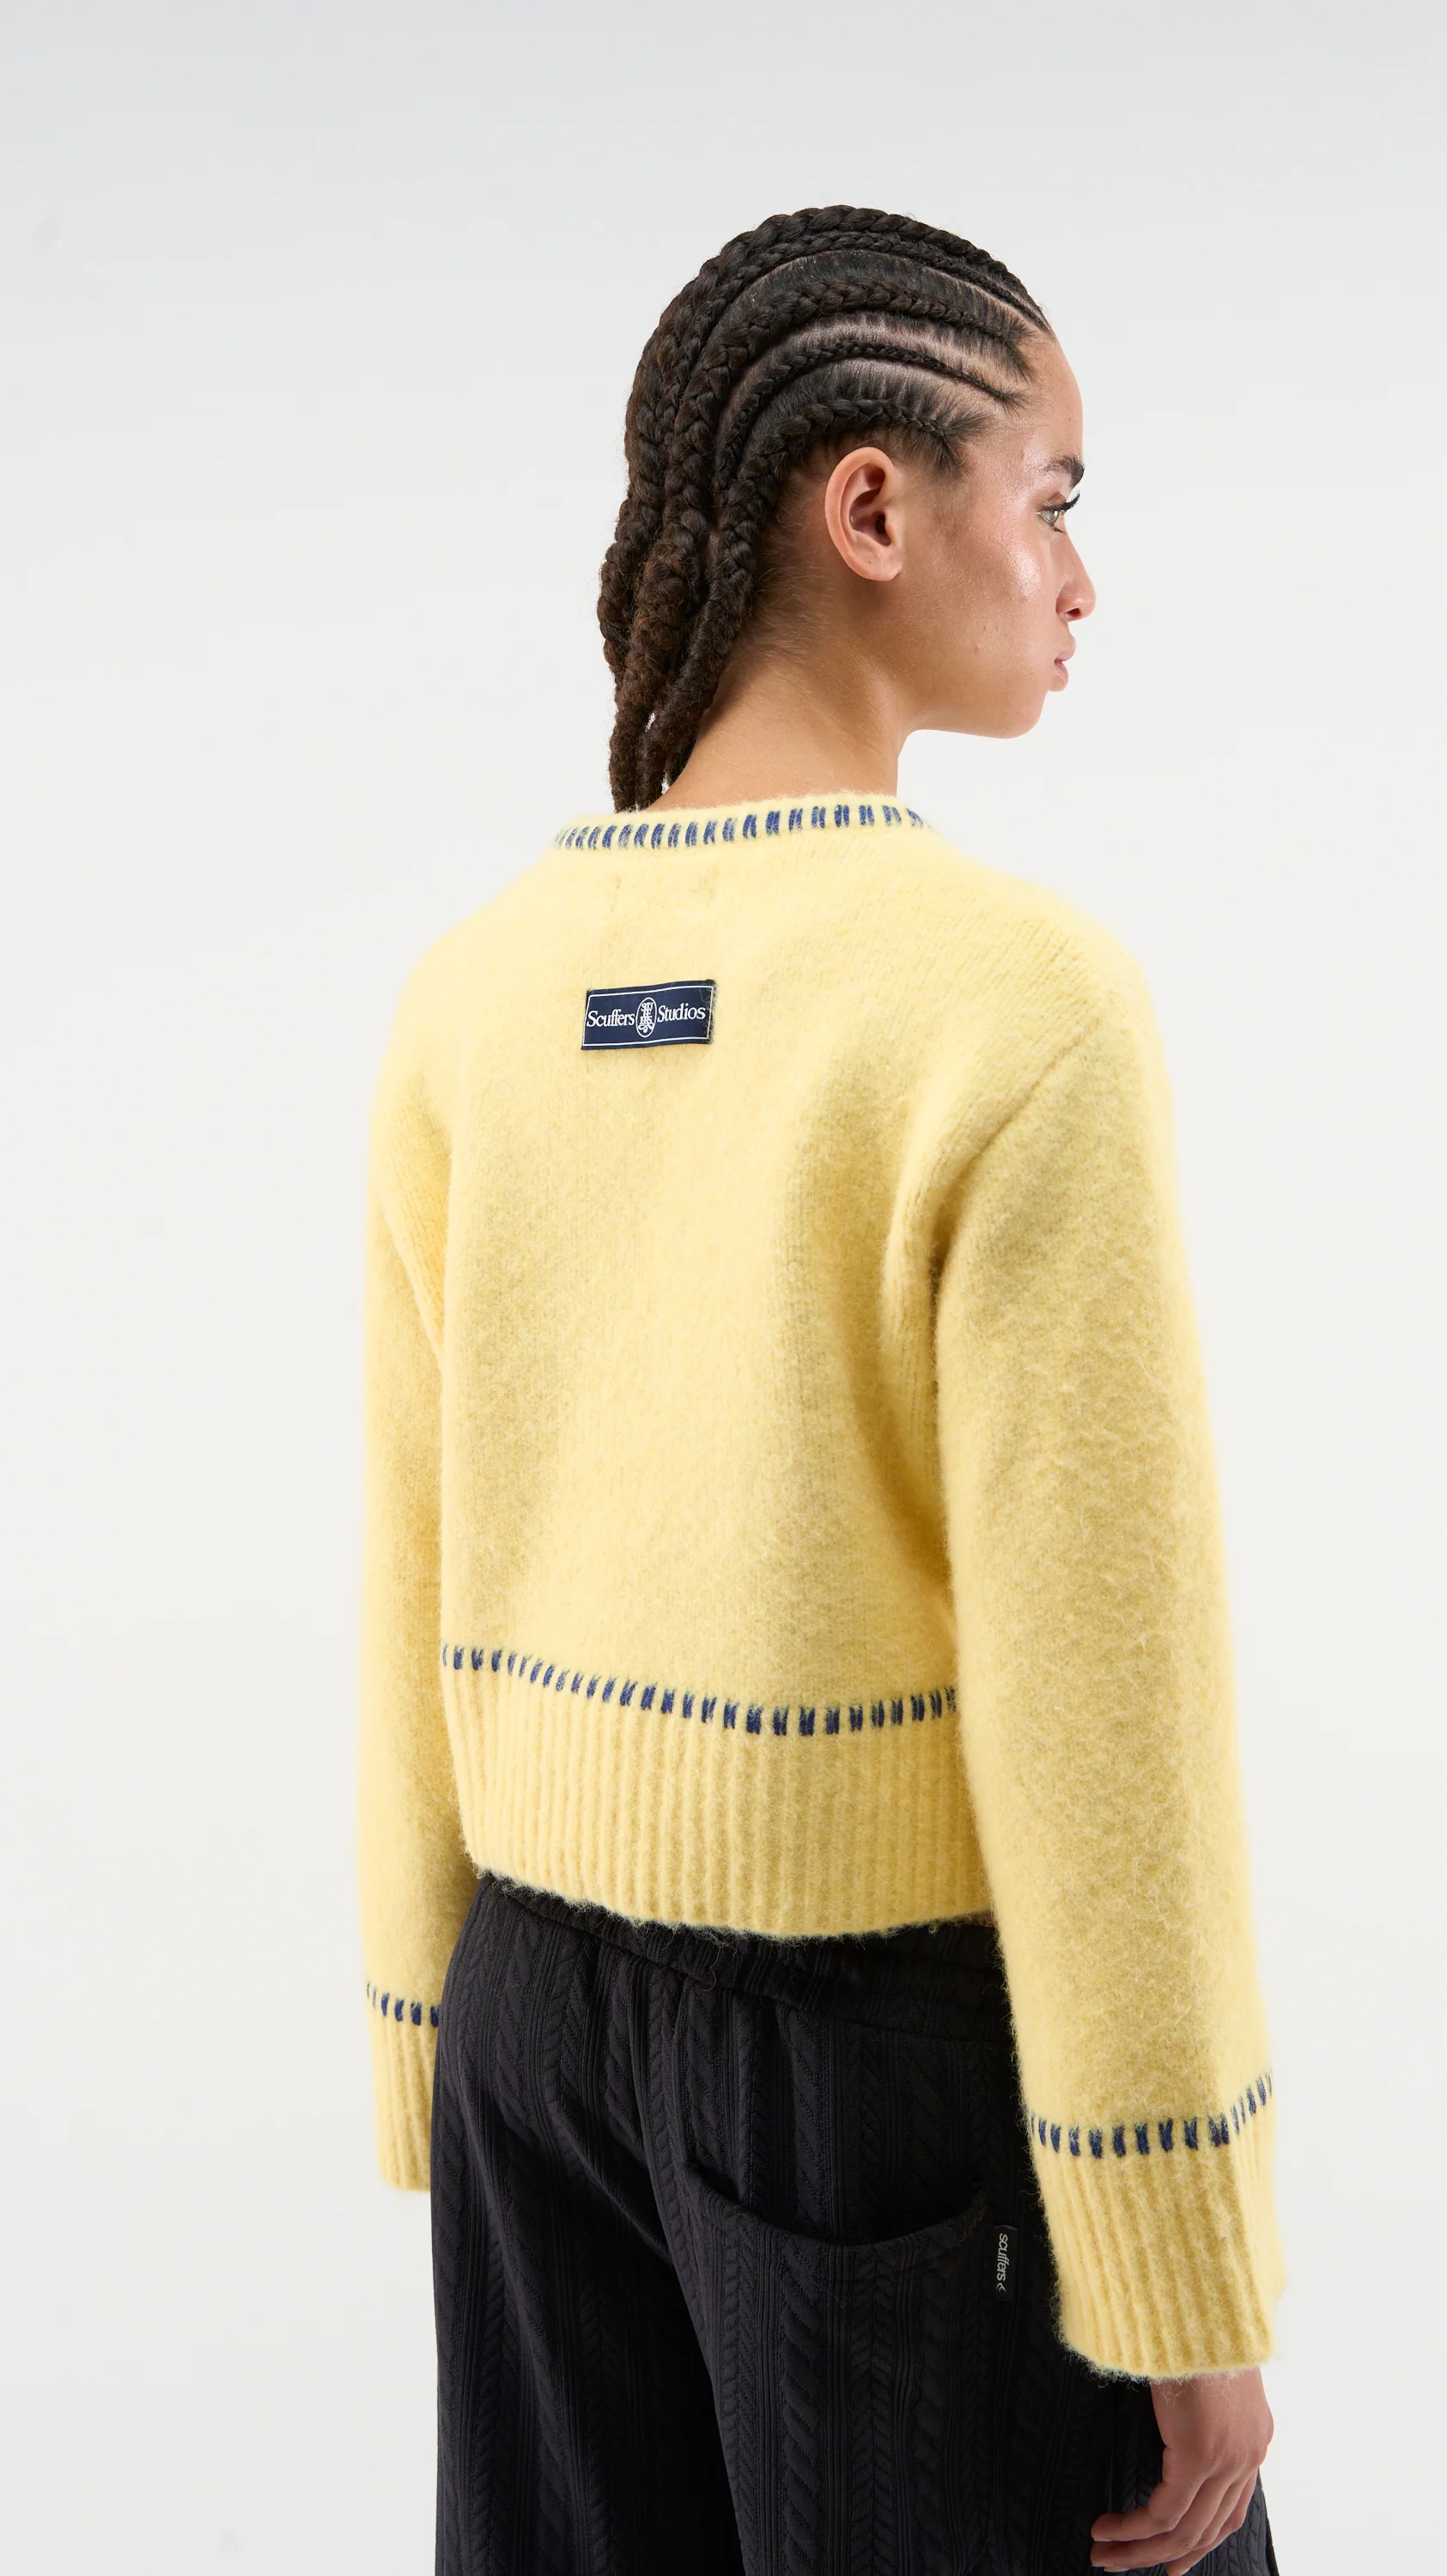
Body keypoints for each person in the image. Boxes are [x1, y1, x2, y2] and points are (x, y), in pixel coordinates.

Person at [358, 205, 1283, 2576]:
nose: (1080, 579)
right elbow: (1103, 1687)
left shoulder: (479, 992)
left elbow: (409, 1566)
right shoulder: (1013, 1001)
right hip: (883, 2084)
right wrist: (1181, 2251)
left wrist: (432, 2050)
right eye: (1051, 496)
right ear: (871, 505)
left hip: (530, 2037)